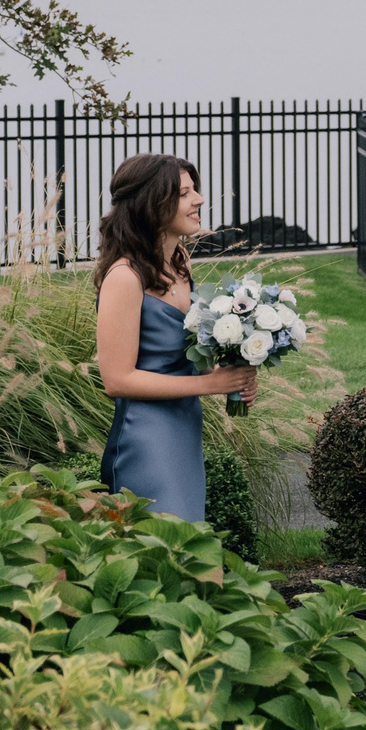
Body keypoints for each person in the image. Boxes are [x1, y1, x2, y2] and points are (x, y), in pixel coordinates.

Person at [94, 154, 255, 524]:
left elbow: (186, 347)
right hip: (146, 439)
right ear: (153, 203)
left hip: (184, 428)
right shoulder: (125, 277)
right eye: (185, 193)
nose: (198, 199)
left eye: (194, 189)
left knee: (189, 548)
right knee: (164, 549)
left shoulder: (177, 261)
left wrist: (232, 368)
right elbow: (117, 380)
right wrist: (210, 383)